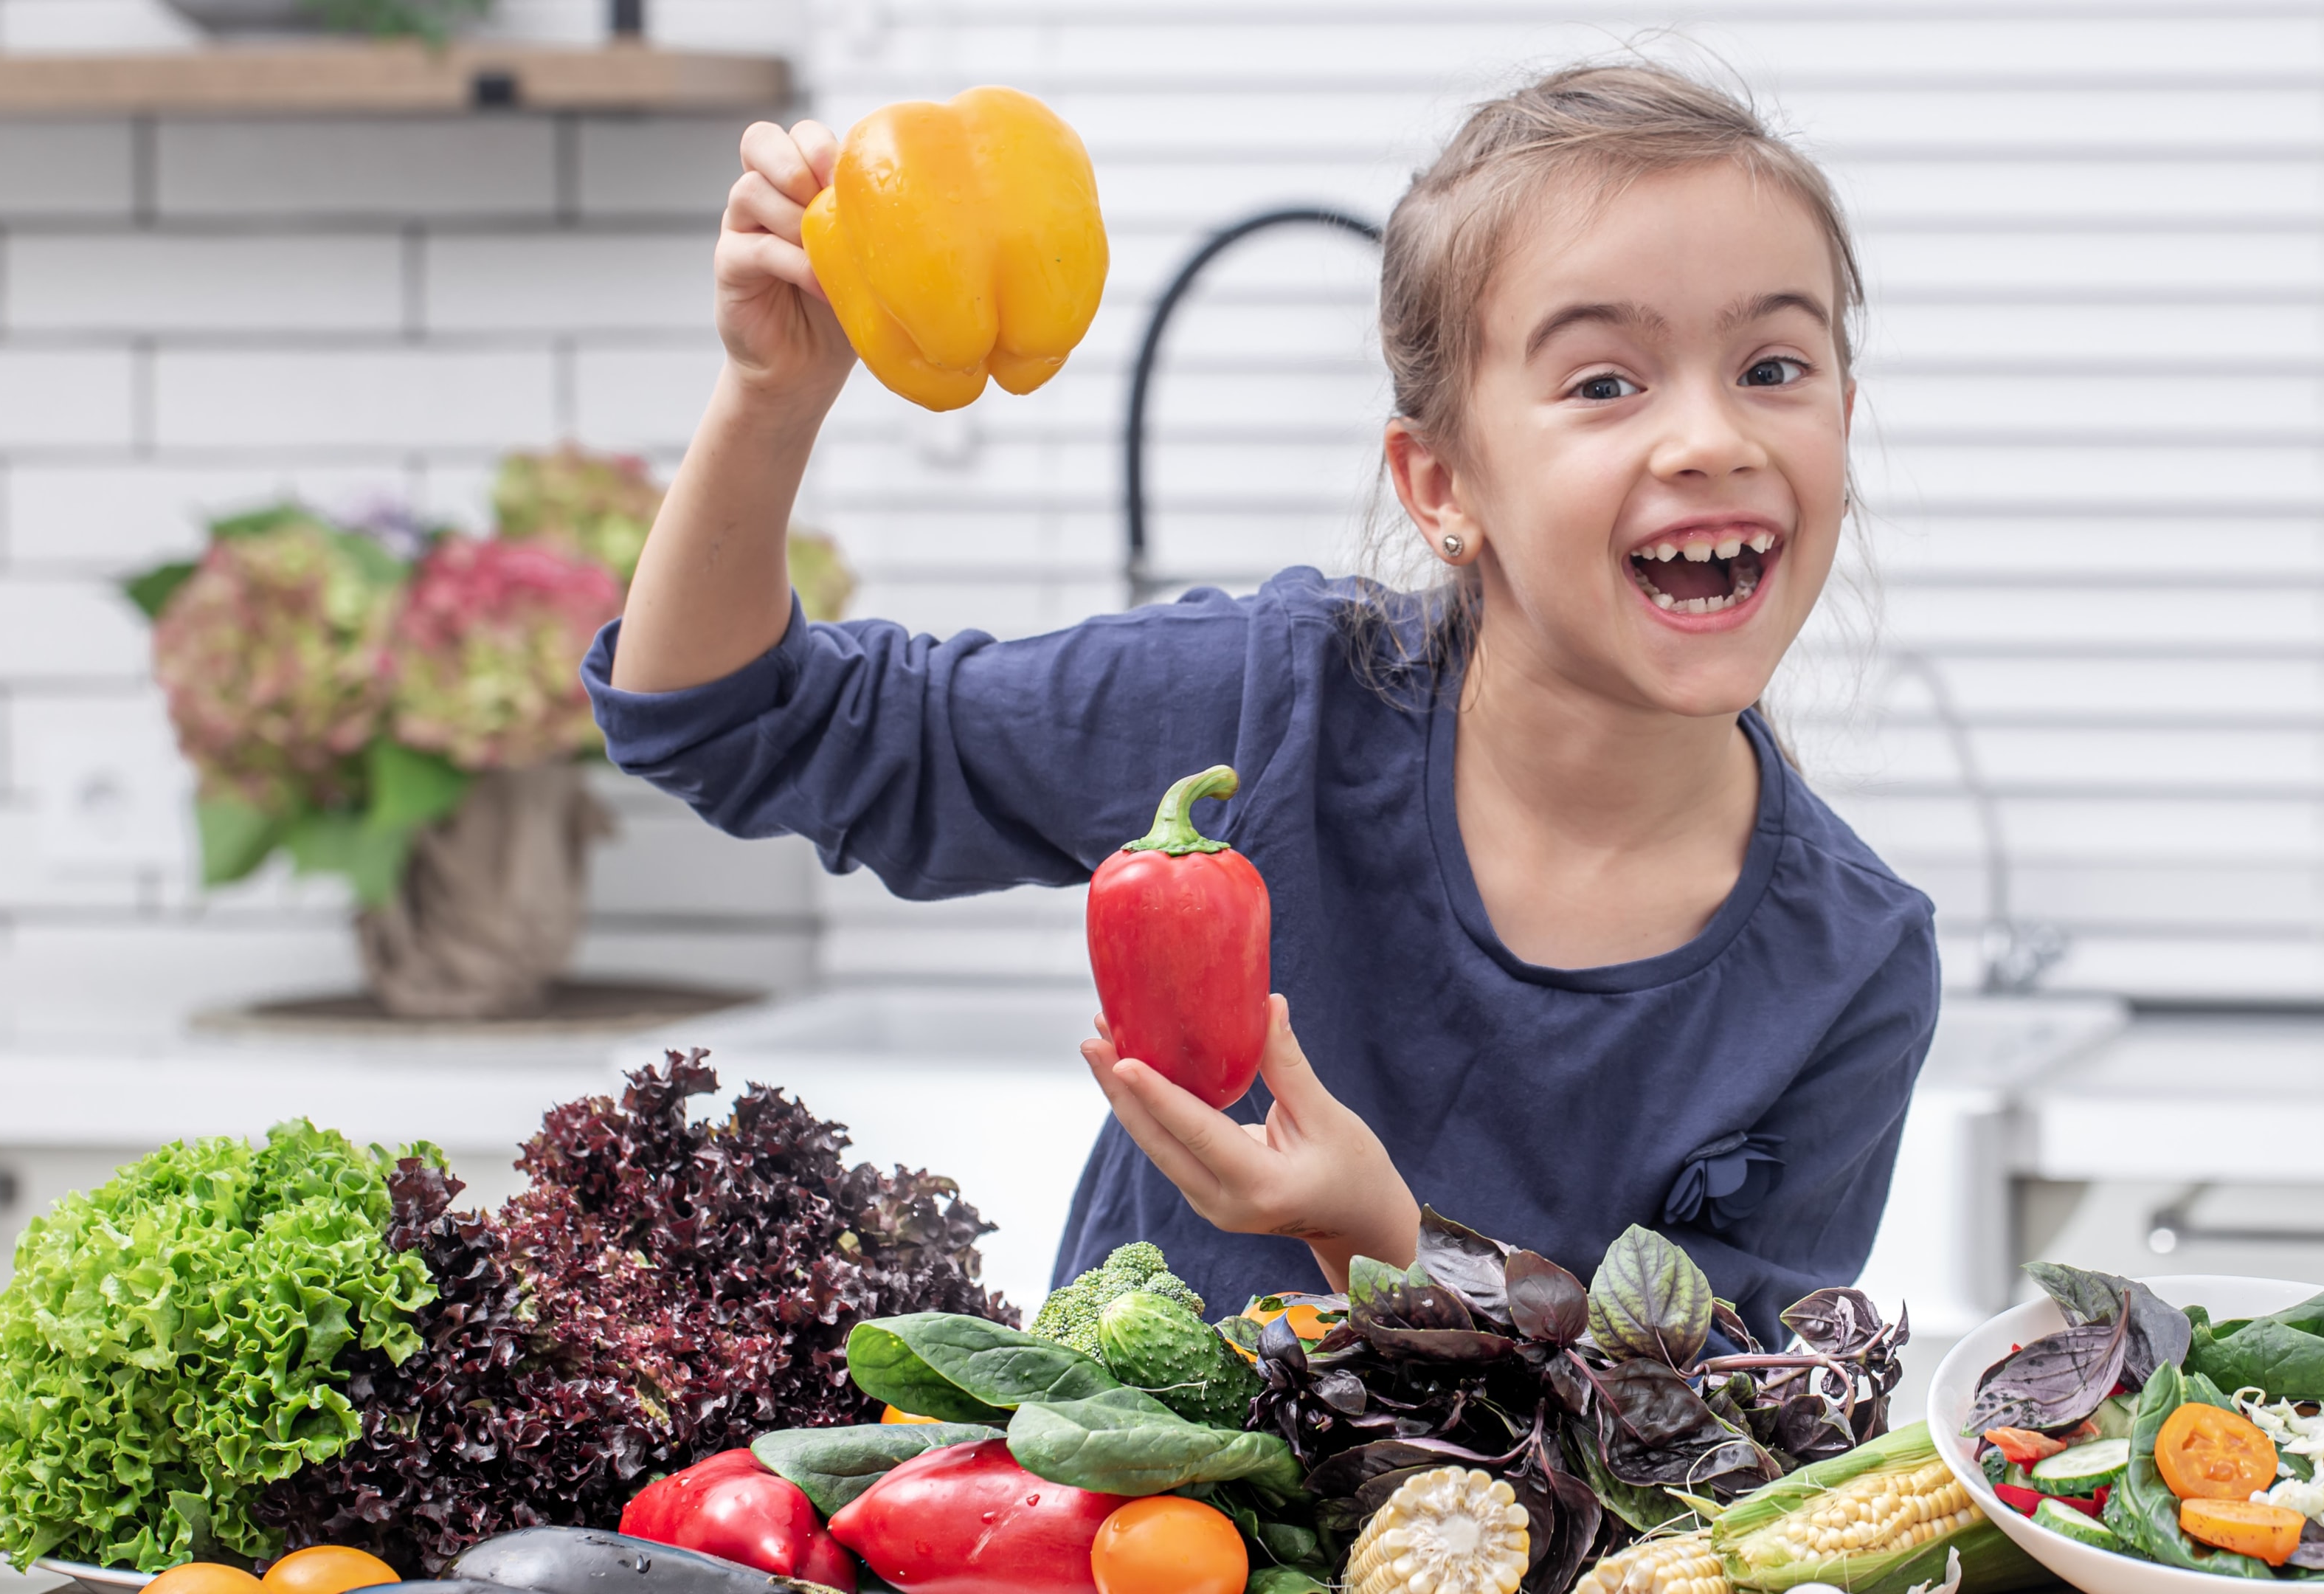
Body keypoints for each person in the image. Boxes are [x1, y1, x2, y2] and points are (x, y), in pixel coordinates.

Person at [584, 61, 1937, 1339]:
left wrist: (1383, 1245)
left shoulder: (1850, 967)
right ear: (1440, 486)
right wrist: (773, 396)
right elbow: (722, 718)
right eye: (1604, 383)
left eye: (1774, 366)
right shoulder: (1268, 706)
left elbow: (1727, 1459)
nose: (1714, 437)